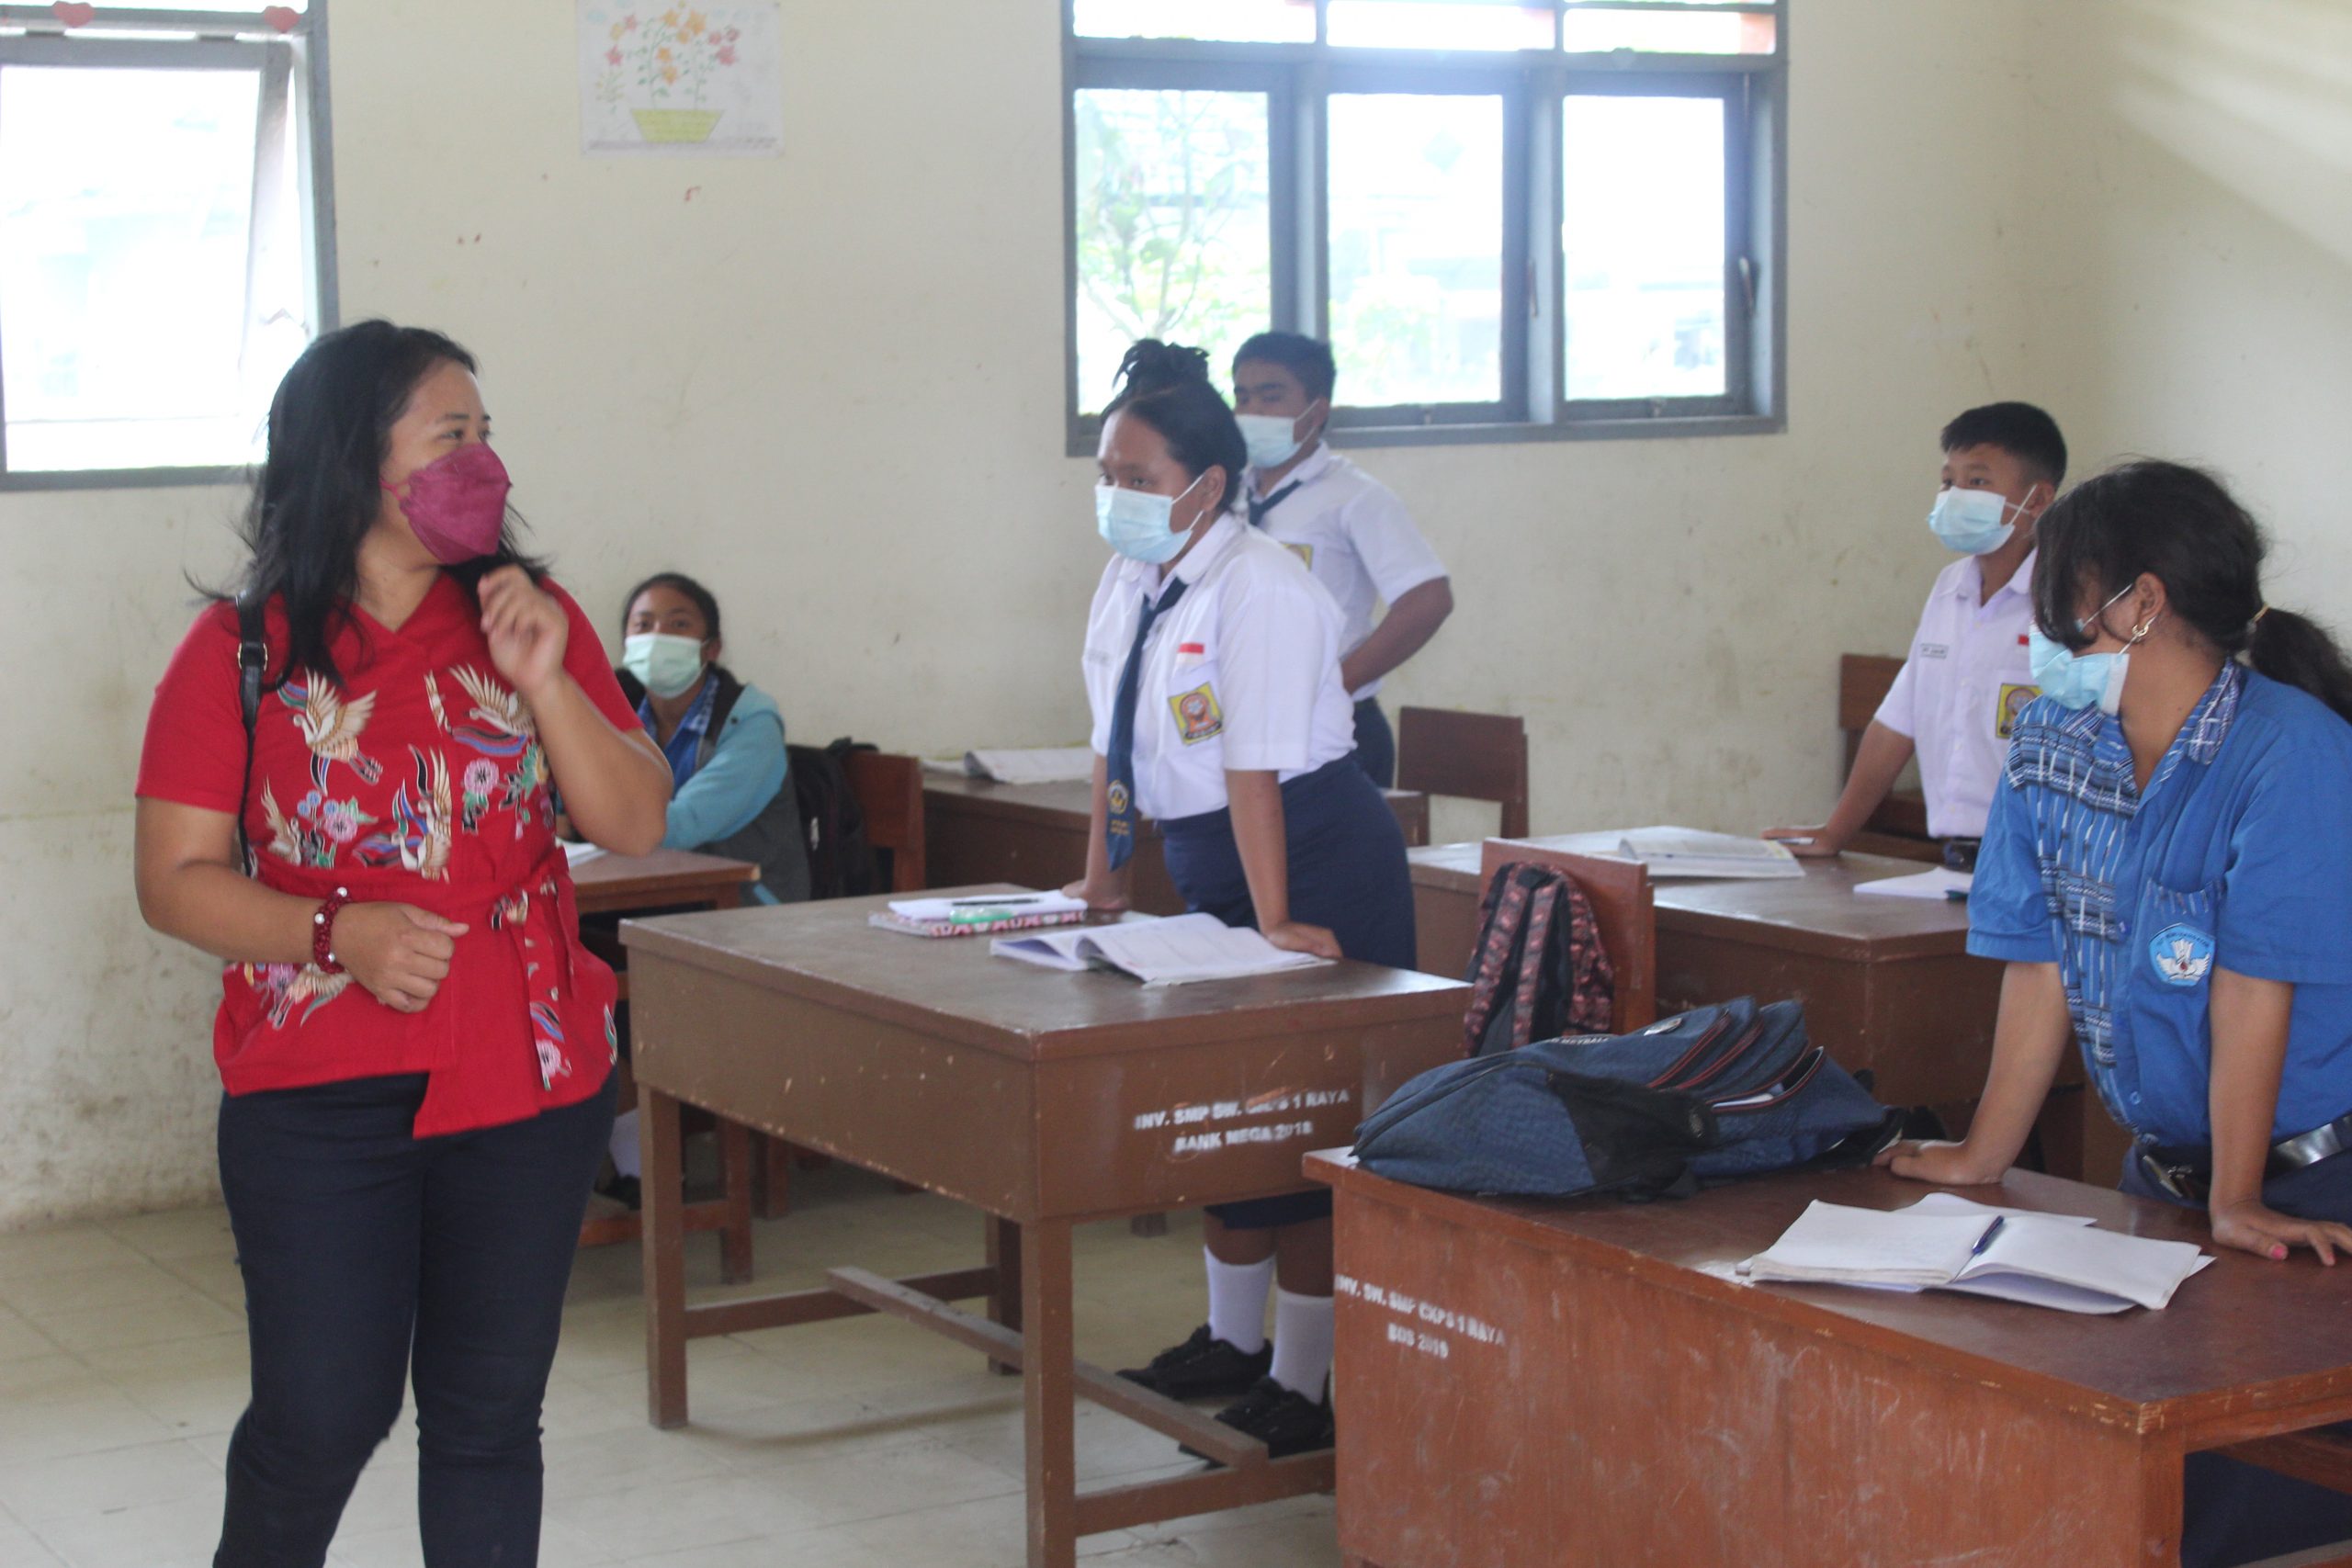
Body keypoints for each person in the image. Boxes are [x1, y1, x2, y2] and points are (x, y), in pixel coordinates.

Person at [133, 321, 671, 1567]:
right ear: (351, 460)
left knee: (488, 1419)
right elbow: (173, 881)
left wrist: (543, 679)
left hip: (529, 1072)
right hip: (319, 1093)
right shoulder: (244, 652)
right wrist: (337, 931)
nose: (481, 463)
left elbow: (634, 820)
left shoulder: (535, 617)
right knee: (323, 1413)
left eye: (486, 437)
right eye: (449, 436)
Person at [1881, 460, 2352, 1567]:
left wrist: (2238, 1196)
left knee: (2233, 1502)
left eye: (2064, 603)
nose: (2045, 633)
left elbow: (2252, 987)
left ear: (2139, 603)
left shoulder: (2291, 753)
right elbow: (2039, 960)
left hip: (2313, 1187)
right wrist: (1980, 1154)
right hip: (2169, 1183)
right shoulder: (2051, 742)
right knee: (2093, 1463)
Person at [1069, 340, 1416, 1460]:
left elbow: (1258, 765)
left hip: (1312, 858)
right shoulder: (1135, 573)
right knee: (1220, 1109)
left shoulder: (1264, 587)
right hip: (1216, 855)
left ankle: (1305, 1384)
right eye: (1107, 476)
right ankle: (1232, 1341)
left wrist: (1269, 925)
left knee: (1303, 1124)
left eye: (1139, 478)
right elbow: (1111, 741)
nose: (1116, 497)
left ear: (1208, 486)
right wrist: (1105, 872)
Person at [1767, 402, 2066, 868]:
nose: (1956, 495)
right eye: (1949, 482)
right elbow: (1896, 723)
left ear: (2039, 498)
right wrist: (1834, 833)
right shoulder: (1949, 589)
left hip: (2043, 861)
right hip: (1960, 857)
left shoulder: (2068, 599)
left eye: (1978, 482)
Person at [599, 570, 809, 1205]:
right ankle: (634, 1166)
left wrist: (583, 815)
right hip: (659, 907)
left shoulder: (751, 724)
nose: (657, 636)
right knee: (579, 972)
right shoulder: (615, 714)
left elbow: (677, 825)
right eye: (643, 625)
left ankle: (647, 1171)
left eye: (679, 623)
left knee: (619, 982)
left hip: (748, 917)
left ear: (711, 646)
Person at [1229, 332, 1452, 787]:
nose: (1252, 412)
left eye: (1271, 396)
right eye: (1242, 396)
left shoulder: (1353, 496)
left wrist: (1335, 684)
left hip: (1338, 727)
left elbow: (1428, 599)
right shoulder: (1226, 493)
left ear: (1318, 408)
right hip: (1250, 726)